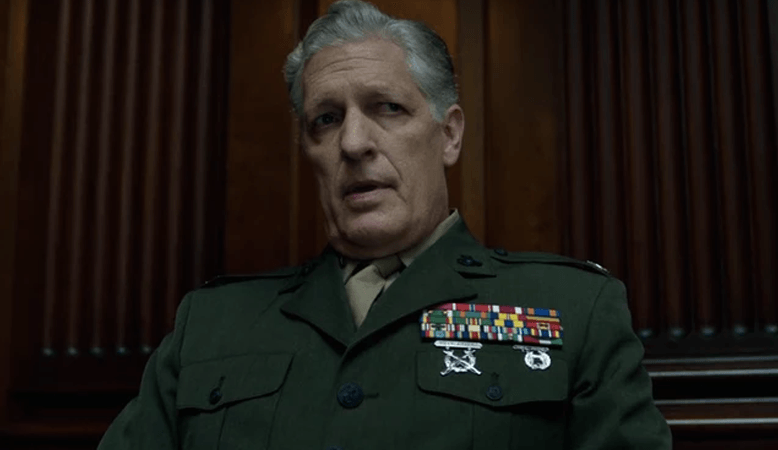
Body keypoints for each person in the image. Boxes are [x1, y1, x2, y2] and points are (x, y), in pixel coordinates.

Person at [98, 1, 672, 448]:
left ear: (449, 134)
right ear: (308, 149)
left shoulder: (574, 311)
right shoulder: (211, 326)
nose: (353, 142)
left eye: (387, 108)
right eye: (326, 119)